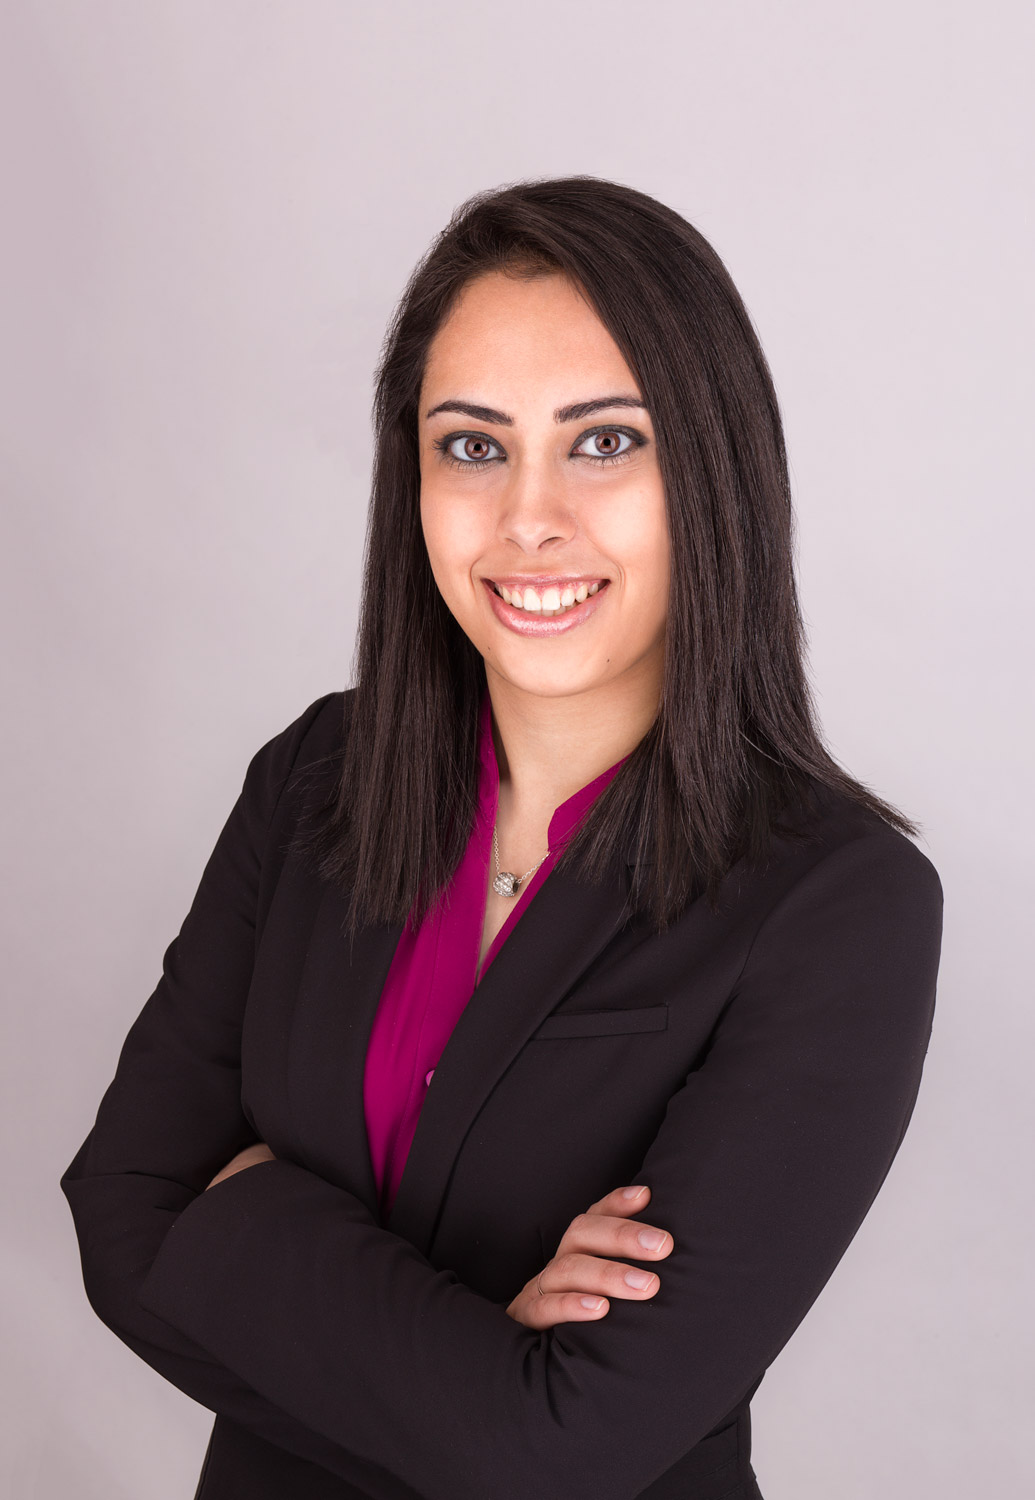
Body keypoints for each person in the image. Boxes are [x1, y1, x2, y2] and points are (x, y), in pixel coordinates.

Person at [60, 176, 944, 1500]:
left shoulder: (839, 904)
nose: (530, 519)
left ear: (714, 469)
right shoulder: (314, 778)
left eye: (604, 443)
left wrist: (241, 1222)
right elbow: (121, 1217)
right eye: (473, 445)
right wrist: (480, 1379)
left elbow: (569, 1450)